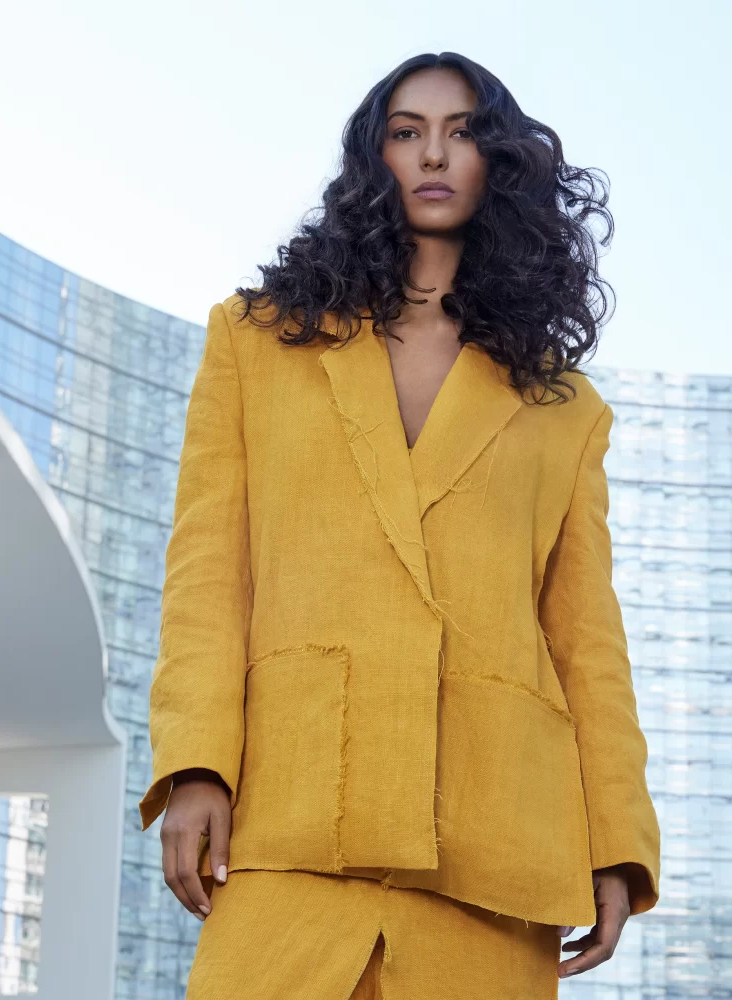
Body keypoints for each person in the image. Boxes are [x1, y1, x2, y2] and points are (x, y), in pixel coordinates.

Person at [138, 51, 661, 999]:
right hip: (289, 823)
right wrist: (195, 764)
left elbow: (585, 638)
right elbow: (210, 574)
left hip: (493, 847)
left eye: (461, 133)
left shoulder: (562, 405)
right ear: (372, 158)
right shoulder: (256, 340)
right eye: (406, 132)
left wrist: (616, 838)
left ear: (498, 163)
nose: (432, 155)